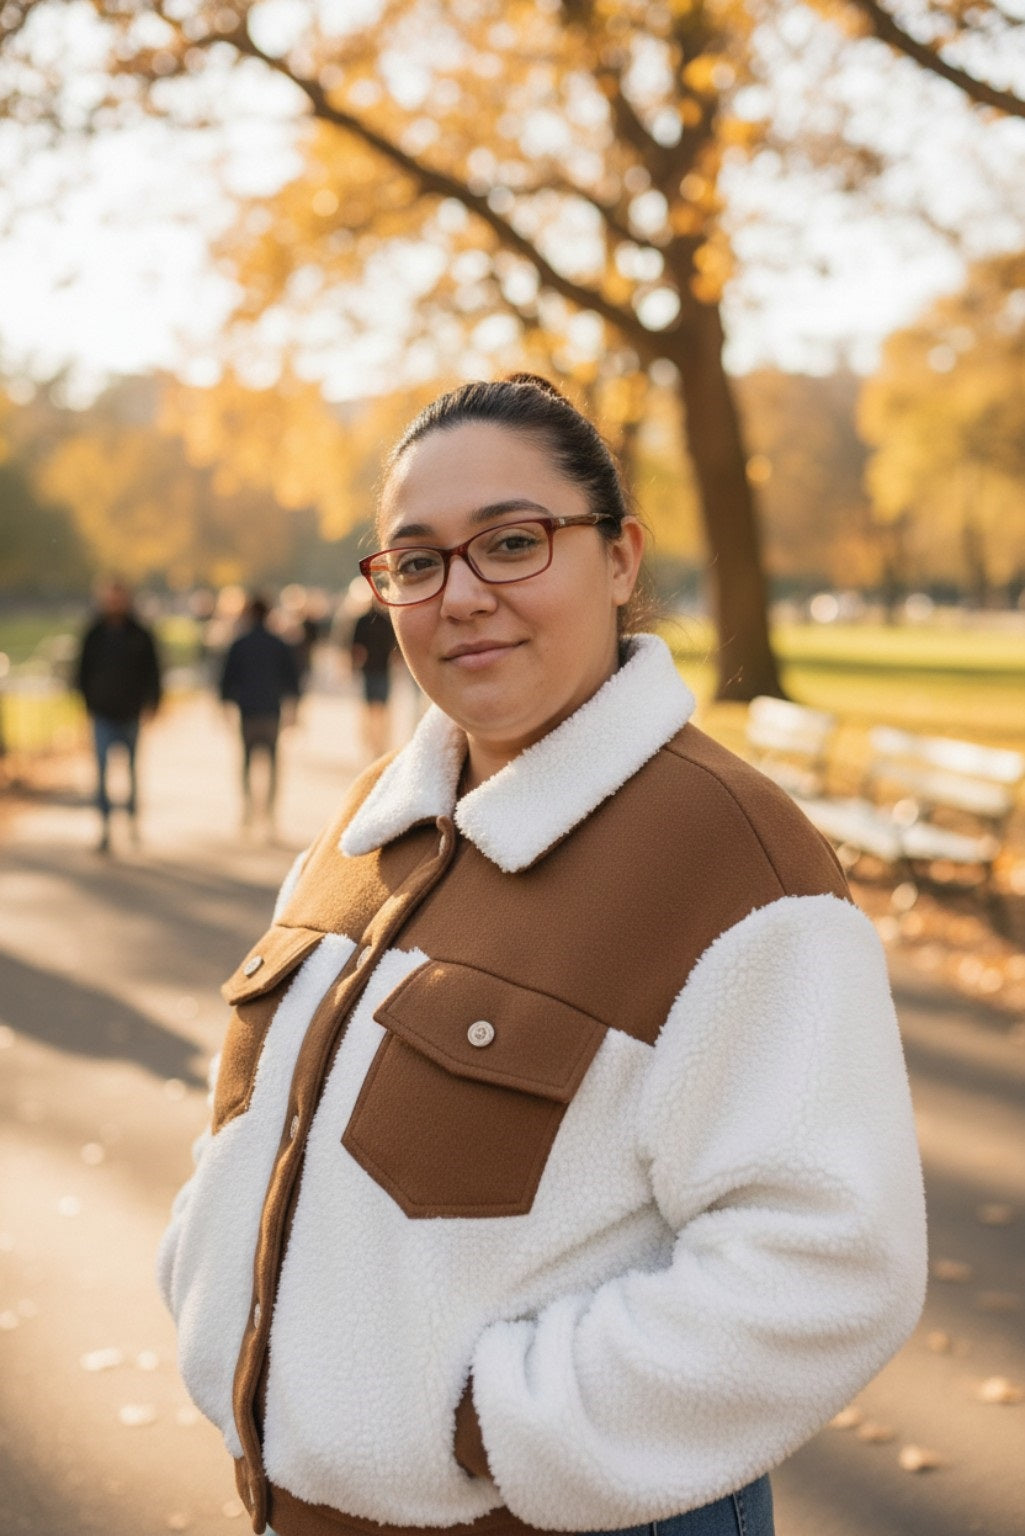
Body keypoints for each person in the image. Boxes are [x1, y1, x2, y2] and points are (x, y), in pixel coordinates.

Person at [159, 376, 927, 1536]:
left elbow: (828, 1265)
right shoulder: (369, 821)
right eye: (414, 563)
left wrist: (480, 1426)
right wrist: (210, 1293)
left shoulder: (730, 859)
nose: (459, 595)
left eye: (511, 543)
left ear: (617, 559)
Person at [74, 575, 162, 853]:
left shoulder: (140, 633)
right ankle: (105, 829)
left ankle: (133, 824)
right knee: (102, 775)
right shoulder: (94, 634)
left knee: (132, 773)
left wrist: (153, 702)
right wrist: (87, 703)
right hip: (102, 713)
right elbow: (81, 672)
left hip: (131, 713)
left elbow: (154, 670)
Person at [220, 595, 301, 832]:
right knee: (273, 762)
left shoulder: (239, 644)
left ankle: (247, 809)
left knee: (246, 761)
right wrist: (294, 710)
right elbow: (292, 680)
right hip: (271, 710)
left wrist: (225, 705)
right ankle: (270, 812)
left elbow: (227, 679)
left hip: (248, 711)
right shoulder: (279, 643)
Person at [349, 596, 398, 760]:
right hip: (382, 668)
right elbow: (395, 646)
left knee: (370, 708)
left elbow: (355, 646)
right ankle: (378, 743)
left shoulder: (363, 620)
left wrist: (353, 666)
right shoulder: (386, 620)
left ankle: (371, 742)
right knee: (381, 709)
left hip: (370, 669)